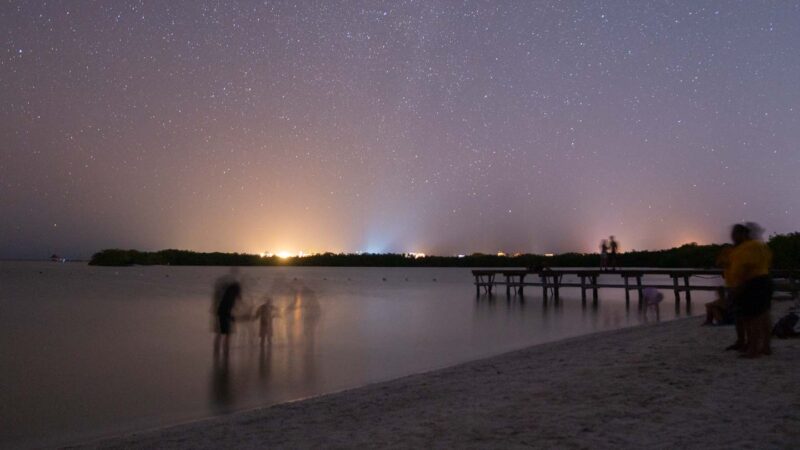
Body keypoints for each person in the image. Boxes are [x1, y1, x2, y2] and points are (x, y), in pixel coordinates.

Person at [725, 223, 773, 358]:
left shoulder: (748, 247)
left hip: (752, 282)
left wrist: (738, 287)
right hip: (763, 279)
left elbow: (744, 268)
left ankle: (753, 349)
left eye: (735, 234)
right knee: (763, 314)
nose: (732, 237)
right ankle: (764, 346)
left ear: (743, 234)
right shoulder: (760, 246)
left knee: (752, 317)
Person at [213, 269, 243, 357]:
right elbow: (238, 302)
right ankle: (225, 353)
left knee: (221, 333)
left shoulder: (229, 292)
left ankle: (217, 353)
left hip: (222, 312)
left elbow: (235, 304)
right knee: (227, 333)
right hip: (224, 312)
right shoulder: (232, 294)